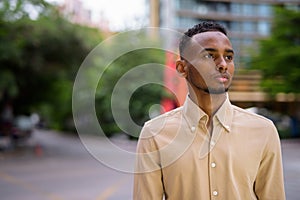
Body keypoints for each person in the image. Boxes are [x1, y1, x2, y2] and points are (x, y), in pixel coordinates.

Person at [133, 21, 285, 200]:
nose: (222, 65)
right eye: (209, 56)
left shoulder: (264, 131)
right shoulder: (154, 134)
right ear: (182, 68)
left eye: (228, 57)